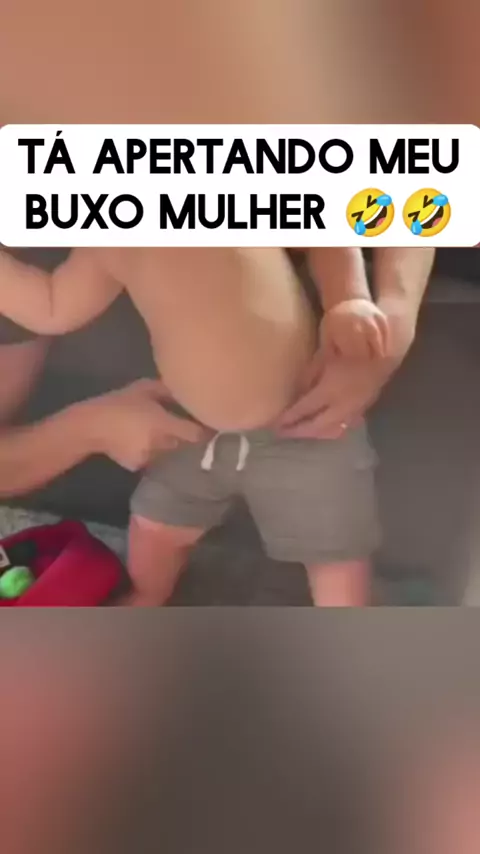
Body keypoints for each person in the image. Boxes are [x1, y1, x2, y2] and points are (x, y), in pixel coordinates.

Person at [0, 245, 434, 605]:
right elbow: (51, 305)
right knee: (153, 530)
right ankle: (148, 596)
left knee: (337, 560)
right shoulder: (106, 243)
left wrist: (348, 299)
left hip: (307, 419)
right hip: (191, 430)